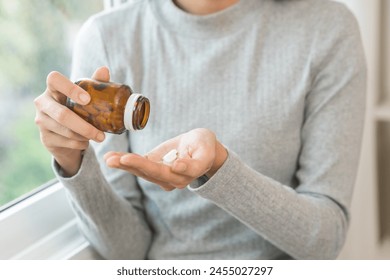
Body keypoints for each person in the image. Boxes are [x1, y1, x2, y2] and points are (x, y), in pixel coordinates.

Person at [34, 0, 367, 259]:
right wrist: (73, 161)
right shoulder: (108, 36)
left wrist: (220, 169)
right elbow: (126, 252)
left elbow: (326, 239)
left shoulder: (327, 28)